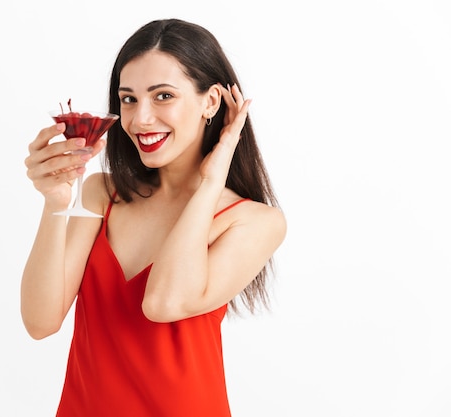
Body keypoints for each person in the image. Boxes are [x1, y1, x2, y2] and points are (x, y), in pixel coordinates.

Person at [22, 18, 286, 417]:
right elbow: (40, 322)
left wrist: (211, 182)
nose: (140, 119)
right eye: (128, 99)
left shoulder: (253, 221)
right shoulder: (102, 193)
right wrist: (56, 202)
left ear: (210, 102)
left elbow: (164, 303)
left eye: (163, 96)